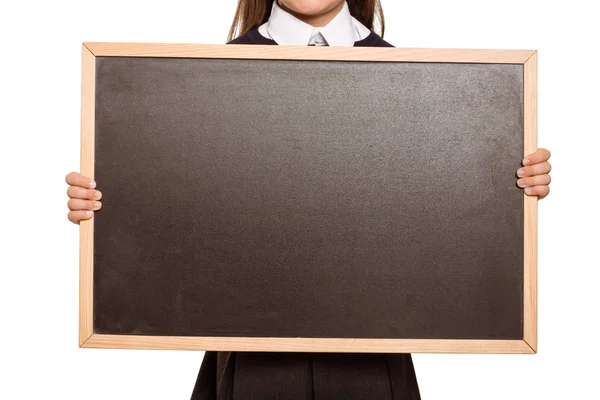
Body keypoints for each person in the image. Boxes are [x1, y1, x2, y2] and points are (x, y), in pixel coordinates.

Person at [65, 1, 552, 399]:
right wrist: (109, 210)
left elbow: (443, 219)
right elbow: (173, 216)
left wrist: (509, 189)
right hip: (247, 362)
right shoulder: (198, 80)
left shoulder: (426, 82)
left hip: (375, 362)